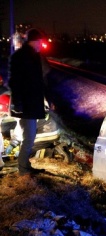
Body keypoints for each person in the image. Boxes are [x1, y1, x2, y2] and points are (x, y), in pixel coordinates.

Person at [7, 28, 48, 177]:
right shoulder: (22, 57)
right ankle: (23, 170)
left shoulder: (33, 56)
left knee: (28, 136)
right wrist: (18, 103)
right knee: (29, 138)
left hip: (30, 104)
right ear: (35, 41)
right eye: (40, 42)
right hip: (25, 106)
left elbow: (39, 81)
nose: (41, 45)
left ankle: (25, 167)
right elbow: (15, 82)